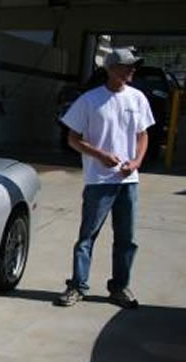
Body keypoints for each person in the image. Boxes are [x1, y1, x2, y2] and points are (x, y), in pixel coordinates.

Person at [55, 48, 155, 309]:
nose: (132, 70)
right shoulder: (89, 100)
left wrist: (137, 162)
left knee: (126, 238)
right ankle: (78, 286)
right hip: (99, 181)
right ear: (111, 69)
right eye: (127, 66)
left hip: (128, 181)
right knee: (87, 236)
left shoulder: (138, 98)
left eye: (134, 66)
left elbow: (143, 135)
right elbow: (72, 139)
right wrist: (99, 155)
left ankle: (119, 288)